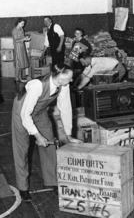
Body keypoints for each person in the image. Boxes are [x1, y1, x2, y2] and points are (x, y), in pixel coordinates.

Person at [11, 63, 81, 201]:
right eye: (70, 78)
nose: (72, 80)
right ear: (60, 78)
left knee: (49, 145)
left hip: (40, 112)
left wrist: (69, 135)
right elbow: (26, 115)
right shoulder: (37, 85)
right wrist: (37, 135)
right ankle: (23, 187)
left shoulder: (63, 85)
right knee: (22, 149)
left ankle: (52, 181)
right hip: (22, 113)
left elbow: (65, 108)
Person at [12, 18, 31, 89]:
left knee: (20, 63)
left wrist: (26, 37)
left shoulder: (21, 29)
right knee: (18, 63)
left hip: (22, 47)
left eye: (24, 23)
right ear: (18, 23)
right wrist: (24, 39)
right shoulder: (14, 30)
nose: (23, 25)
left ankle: (19, 78)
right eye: (22, 23)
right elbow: (16, 40)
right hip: (18, 47)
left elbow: (22, 38)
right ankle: (16, 79)